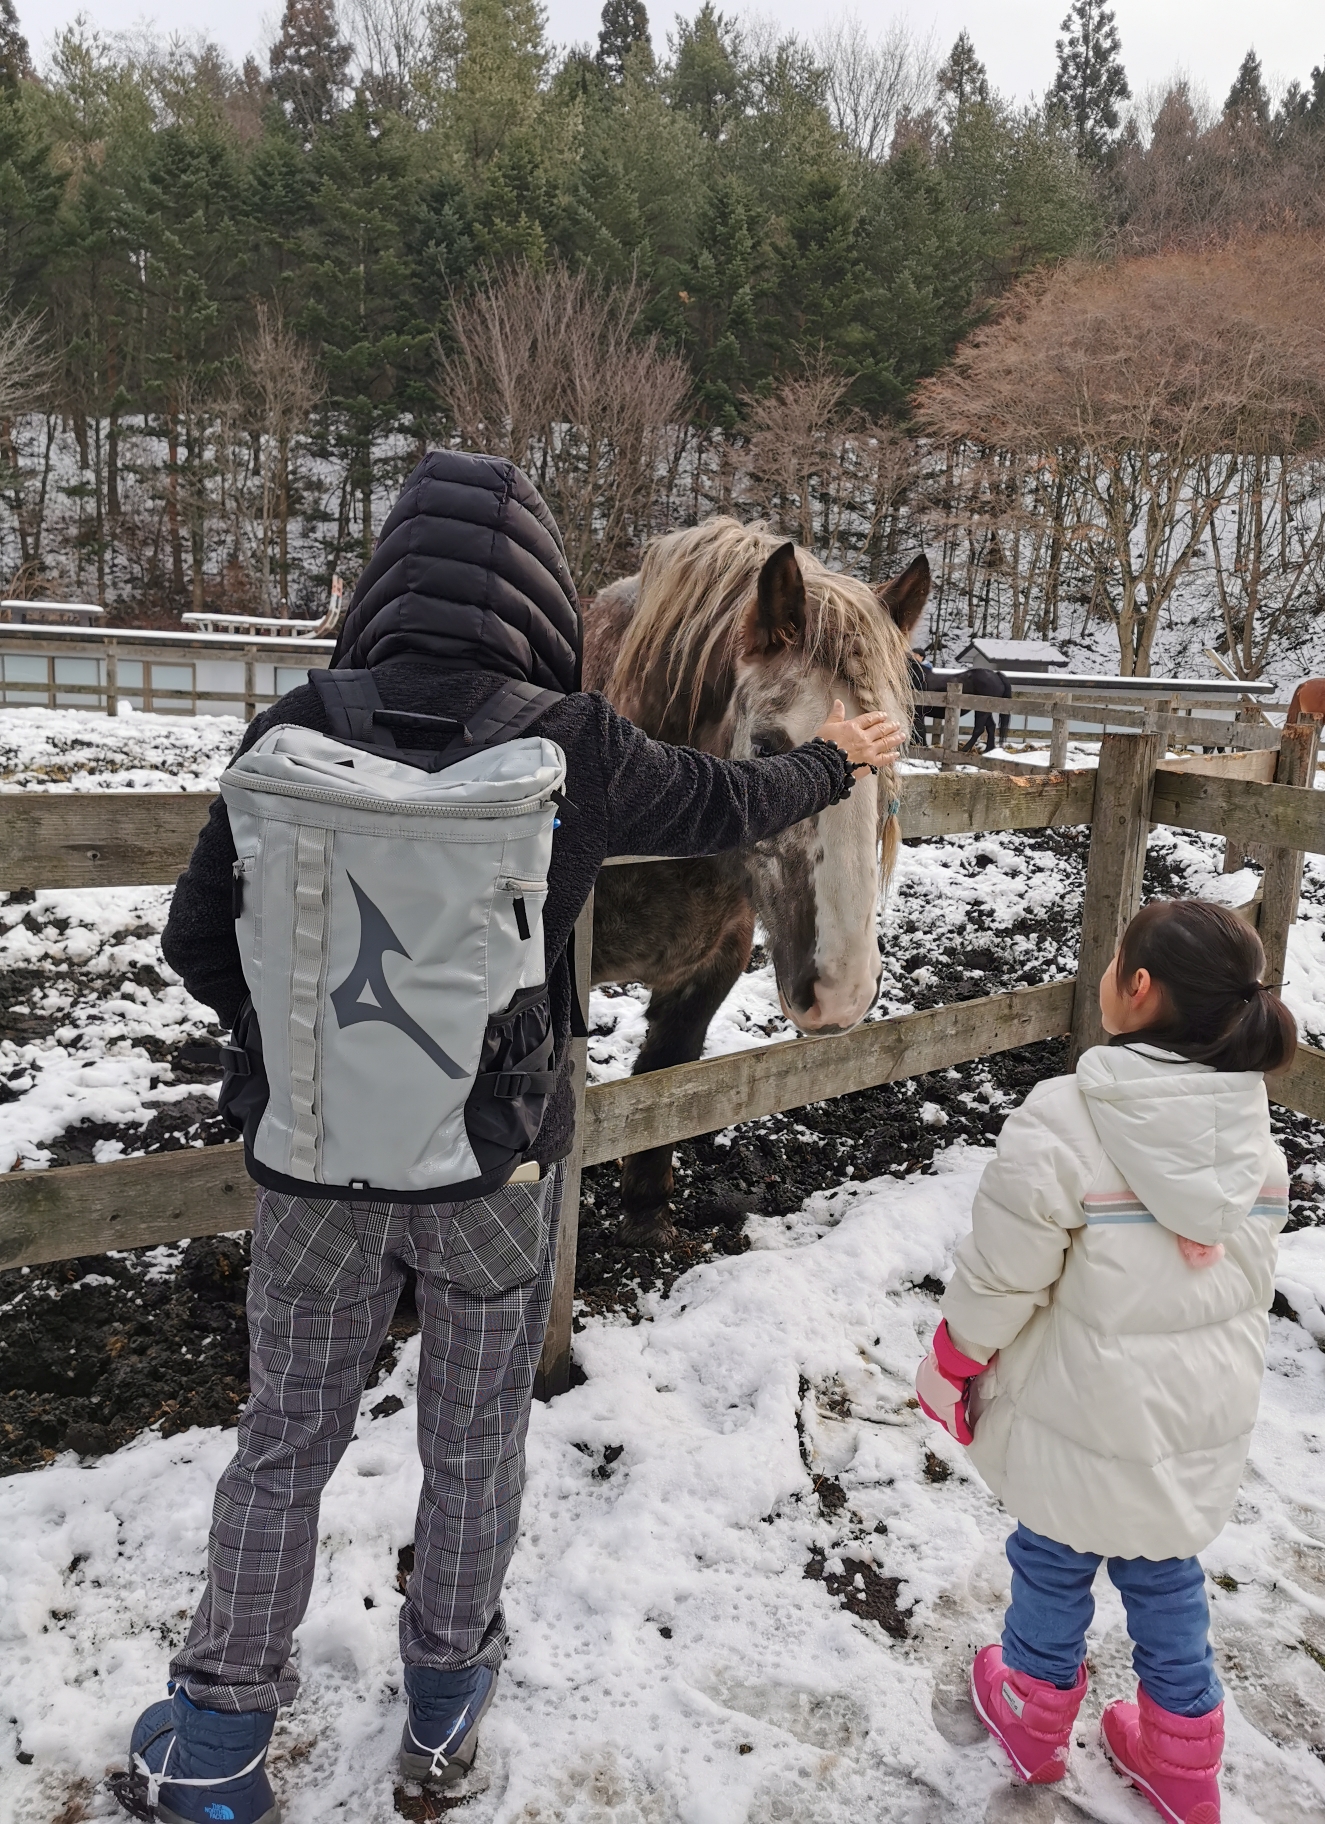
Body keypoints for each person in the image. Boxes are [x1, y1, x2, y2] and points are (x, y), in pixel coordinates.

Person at [122, 452, 904, 1824]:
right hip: (494, 1161)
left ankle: (216, 1732)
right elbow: (736, 802)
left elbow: (197, 939)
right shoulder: (575, 743)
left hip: (311, 1166)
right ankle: (442, 1711)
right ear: (541, 593)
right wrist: (842, 757)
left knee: (284, 1438)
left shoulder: (290, 723)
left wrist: (304, 1044)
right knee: (475, 1440)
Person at [917, 899, 1296, 1824]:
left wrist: (954, 1360)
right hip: (1192, 1424)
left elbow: (1004, 1275)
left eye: (1115, 961)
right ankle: (1181, 1752)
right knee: (1165, 1567)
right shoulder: (1250, 1132)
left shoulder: (1068, 1117)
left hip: (1078, 1415)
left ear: (1136, 987)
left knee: (1052, 1554)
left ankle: (1034, 1710)